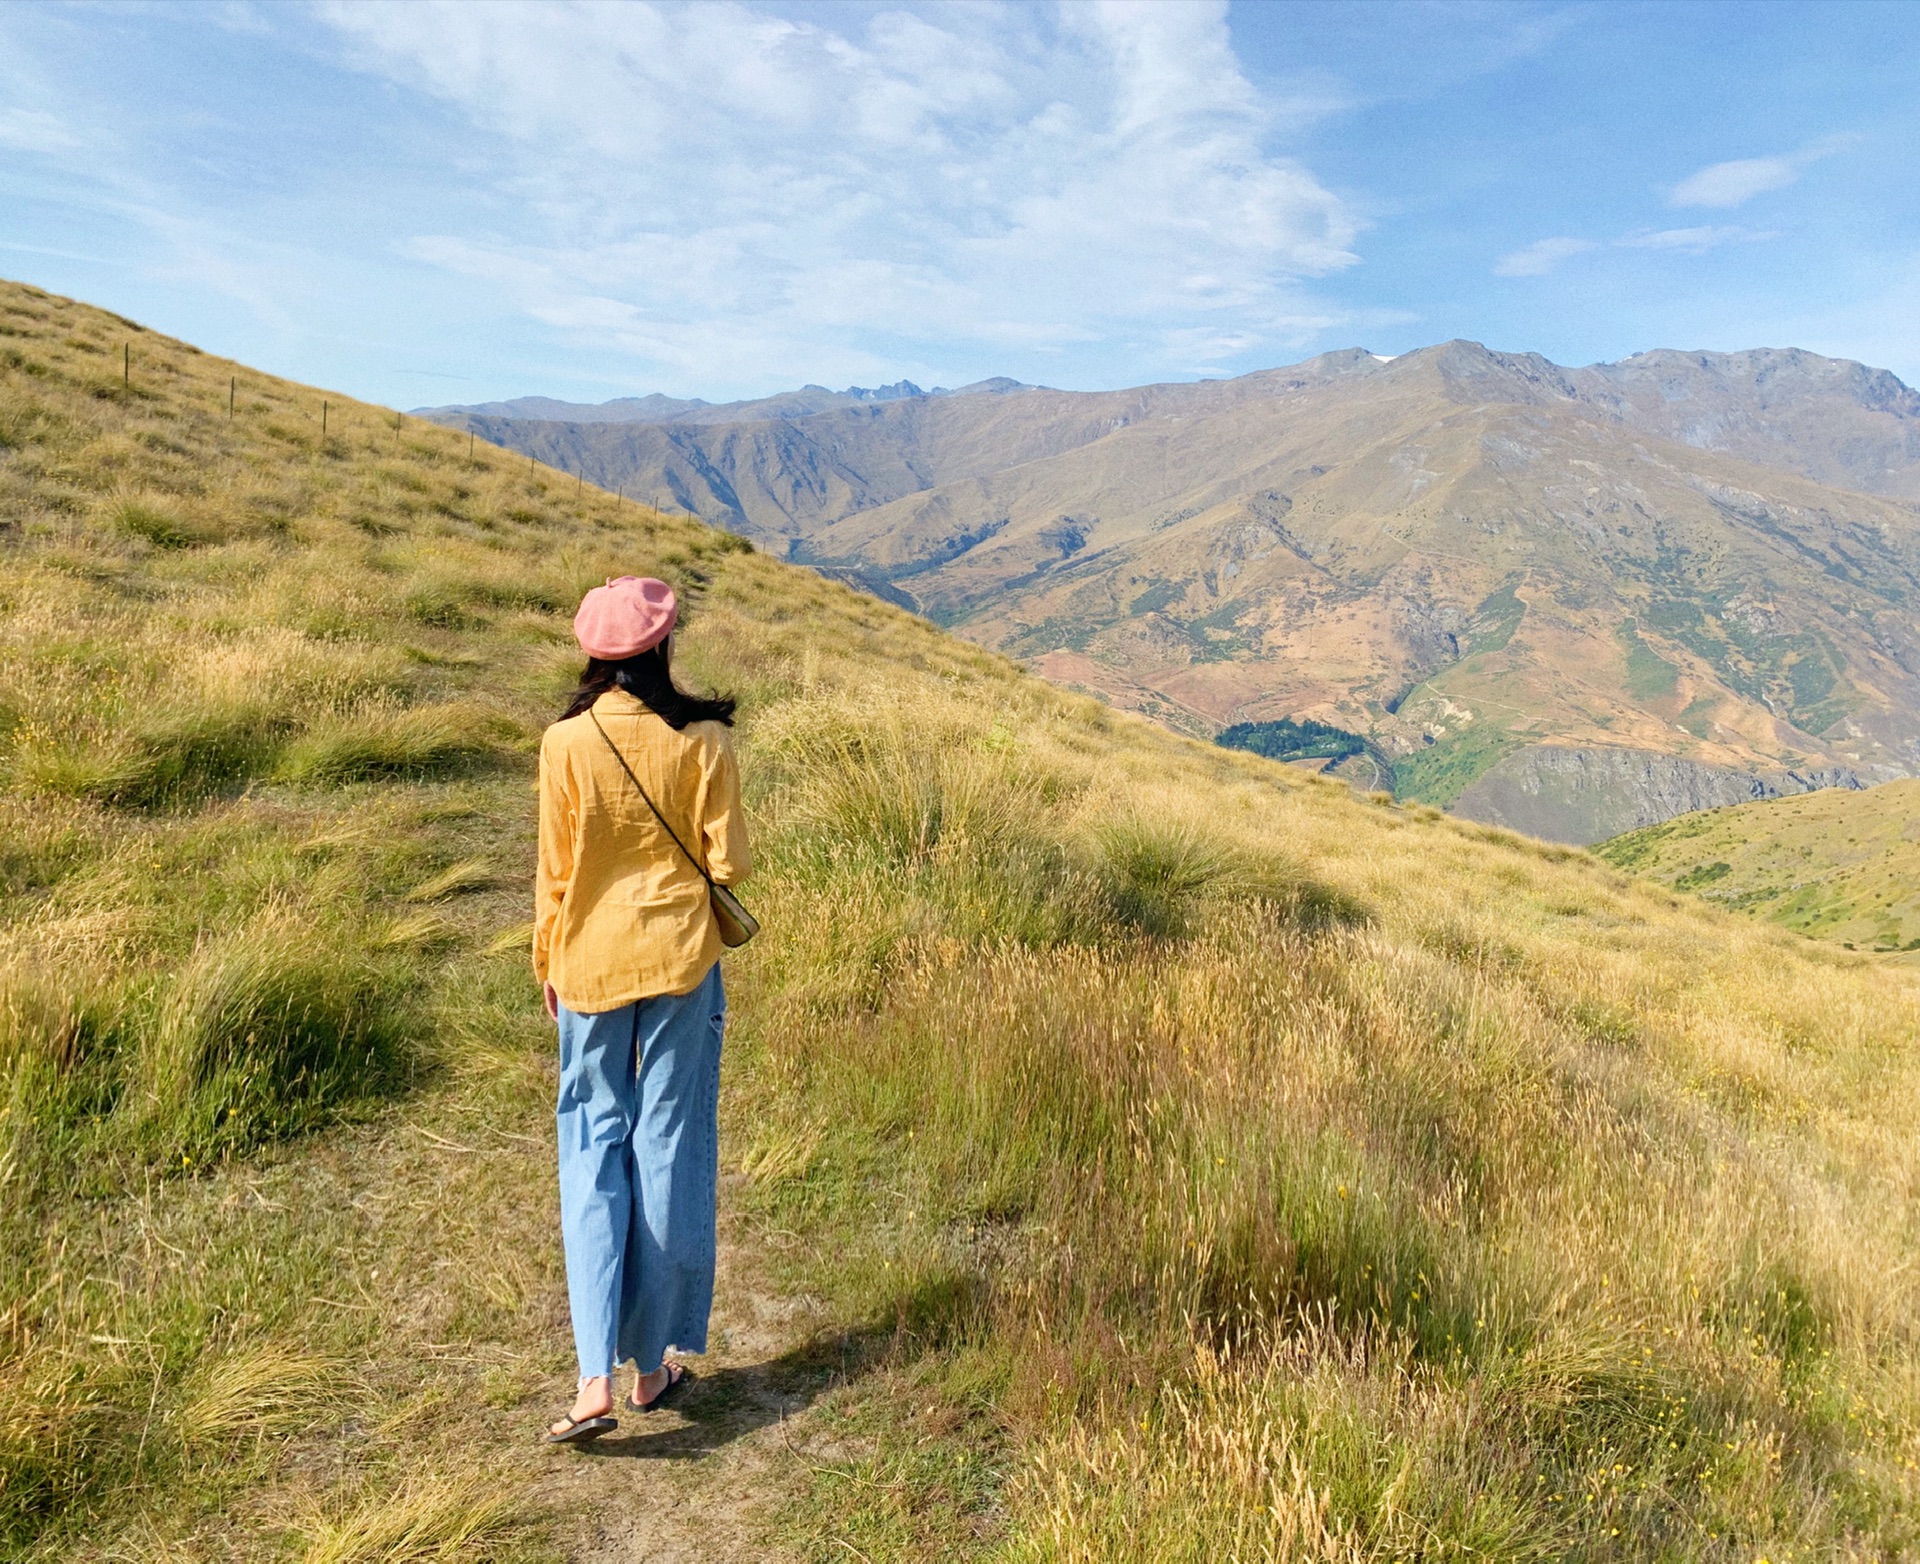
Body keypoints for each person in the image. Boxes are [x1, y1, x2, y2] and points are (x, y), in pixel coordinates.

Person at [533, 575, 751, 1445]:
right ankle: (652, 1368)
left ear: (595, 655)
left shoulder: (564, 743)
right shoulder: (703, 739)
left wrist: (547, 957)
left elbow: (554, 870)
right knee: (666, 1146)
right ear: (661, 647)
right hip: (679, 961)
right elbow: (728, 864)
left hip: (585, 962)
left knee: (591, 1150)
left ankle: (593, 1380)